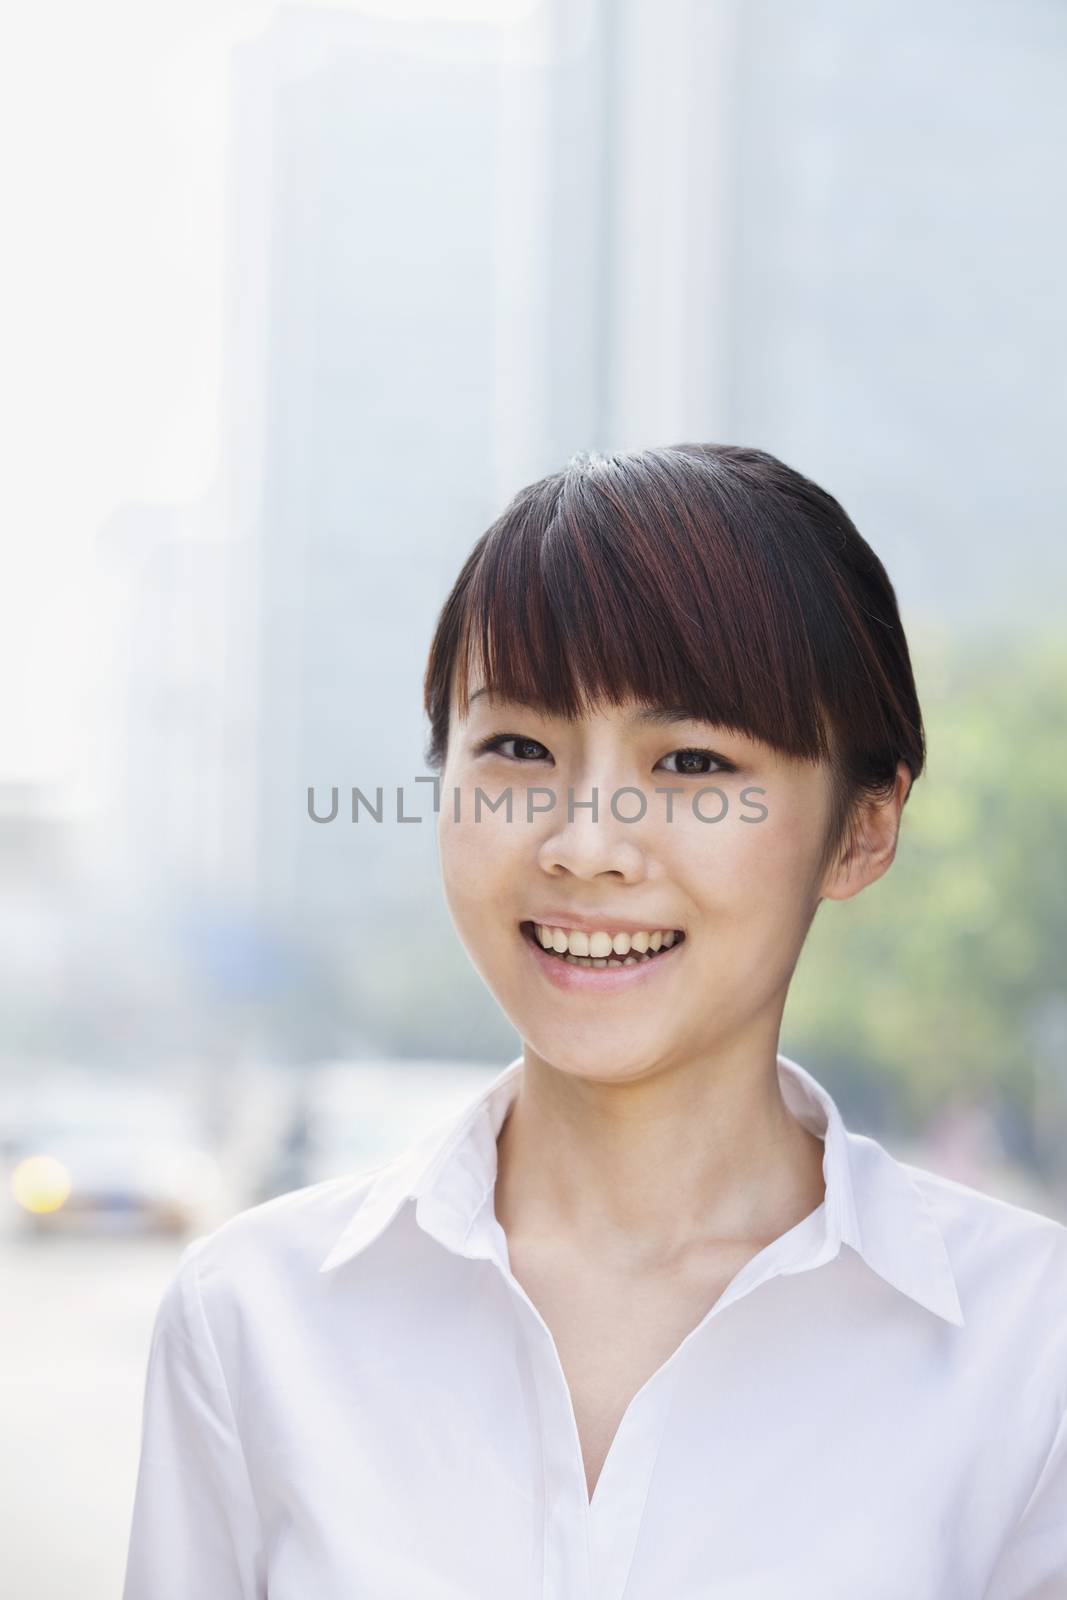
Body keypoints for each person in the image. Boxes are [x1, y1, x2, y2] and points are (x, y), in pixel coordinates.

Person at [122, 444, 1067, 1599]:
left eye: (690, 761)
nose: (582, 842)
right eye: (517, 747)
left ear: (862, 828)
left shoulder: (1029, 1345)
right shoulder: (253, 1322)